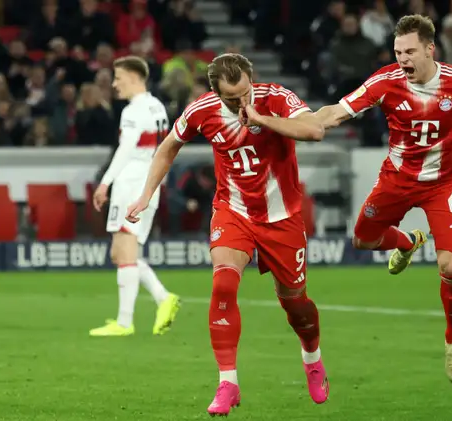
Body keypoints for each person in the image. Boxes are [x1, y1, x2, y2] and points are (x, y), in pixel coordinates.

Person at [125, 53, 328, 416]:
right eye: (231, 99)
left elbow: (315, 130)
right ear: (216, 93)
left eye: (245, 93)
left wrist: (261, 118)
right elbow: (168, 147)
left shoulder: (276, 97)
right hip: (233, 211)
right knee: (223, 284)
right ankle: (228, 383)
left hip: (282, 218)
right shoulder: (202, 110)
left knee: (295, 303)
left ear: (252, 79)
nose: (240, 102)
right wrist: (146, 194)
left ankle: (312, 358)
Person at [314, 14, 452, 383]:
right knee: (363, 240)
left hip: (443, 184)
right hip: (397, 180)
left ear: (430, 49)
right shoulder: (385, 81)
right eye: (398, 52)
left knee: (451, 266)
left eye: (409, 52)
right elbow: (336, 112)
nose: (402, 59)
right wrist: (305, 122)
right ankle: (407, 242)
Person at [90, 56, 180, 337]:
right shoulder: (157, 107)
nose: (115, 84)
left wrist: (105, 183)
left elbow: (125, 149)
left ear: (133, 77)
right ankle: (163, 298)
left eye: (118, 78)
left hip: (131, 183)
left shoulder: (133, 111)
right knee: (120, 252)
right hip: (149, 183)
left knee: (125, 251)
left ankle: (125, 322)